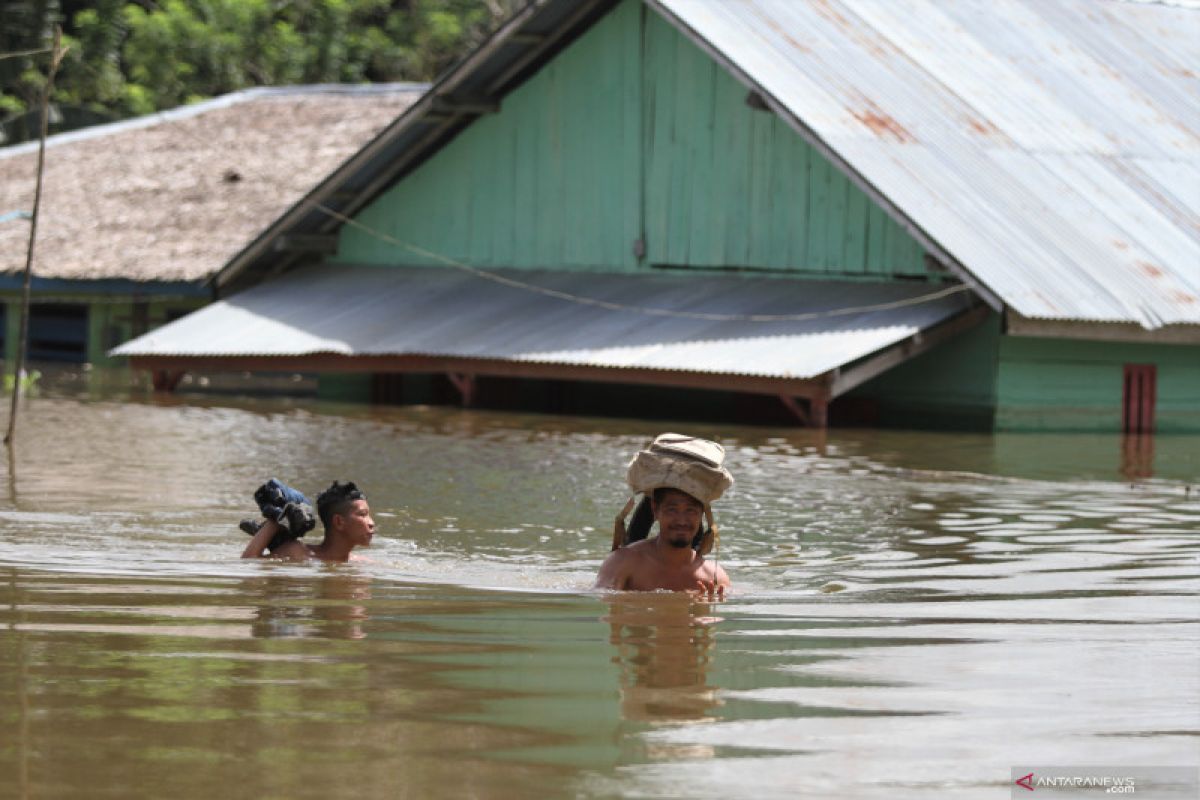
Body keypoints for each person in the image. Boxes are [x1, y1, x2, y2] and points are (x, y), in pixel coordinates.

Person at [594, 487, 730, 596]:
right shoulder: (623, 563)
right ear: (655, 510)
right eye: (672, 510)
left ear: (702, 513)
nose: (682, 521)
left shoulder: (714, 576)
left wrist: (705, 612)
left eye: (691, 510)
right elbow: (607, 608)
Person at [242, 480, 375, 562]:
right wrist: (276, 521)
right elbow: (249, 563)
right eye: (363, 515)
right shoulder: (298, 553)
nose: (371, 523)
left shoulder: (360, 563)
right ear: (339, 522)